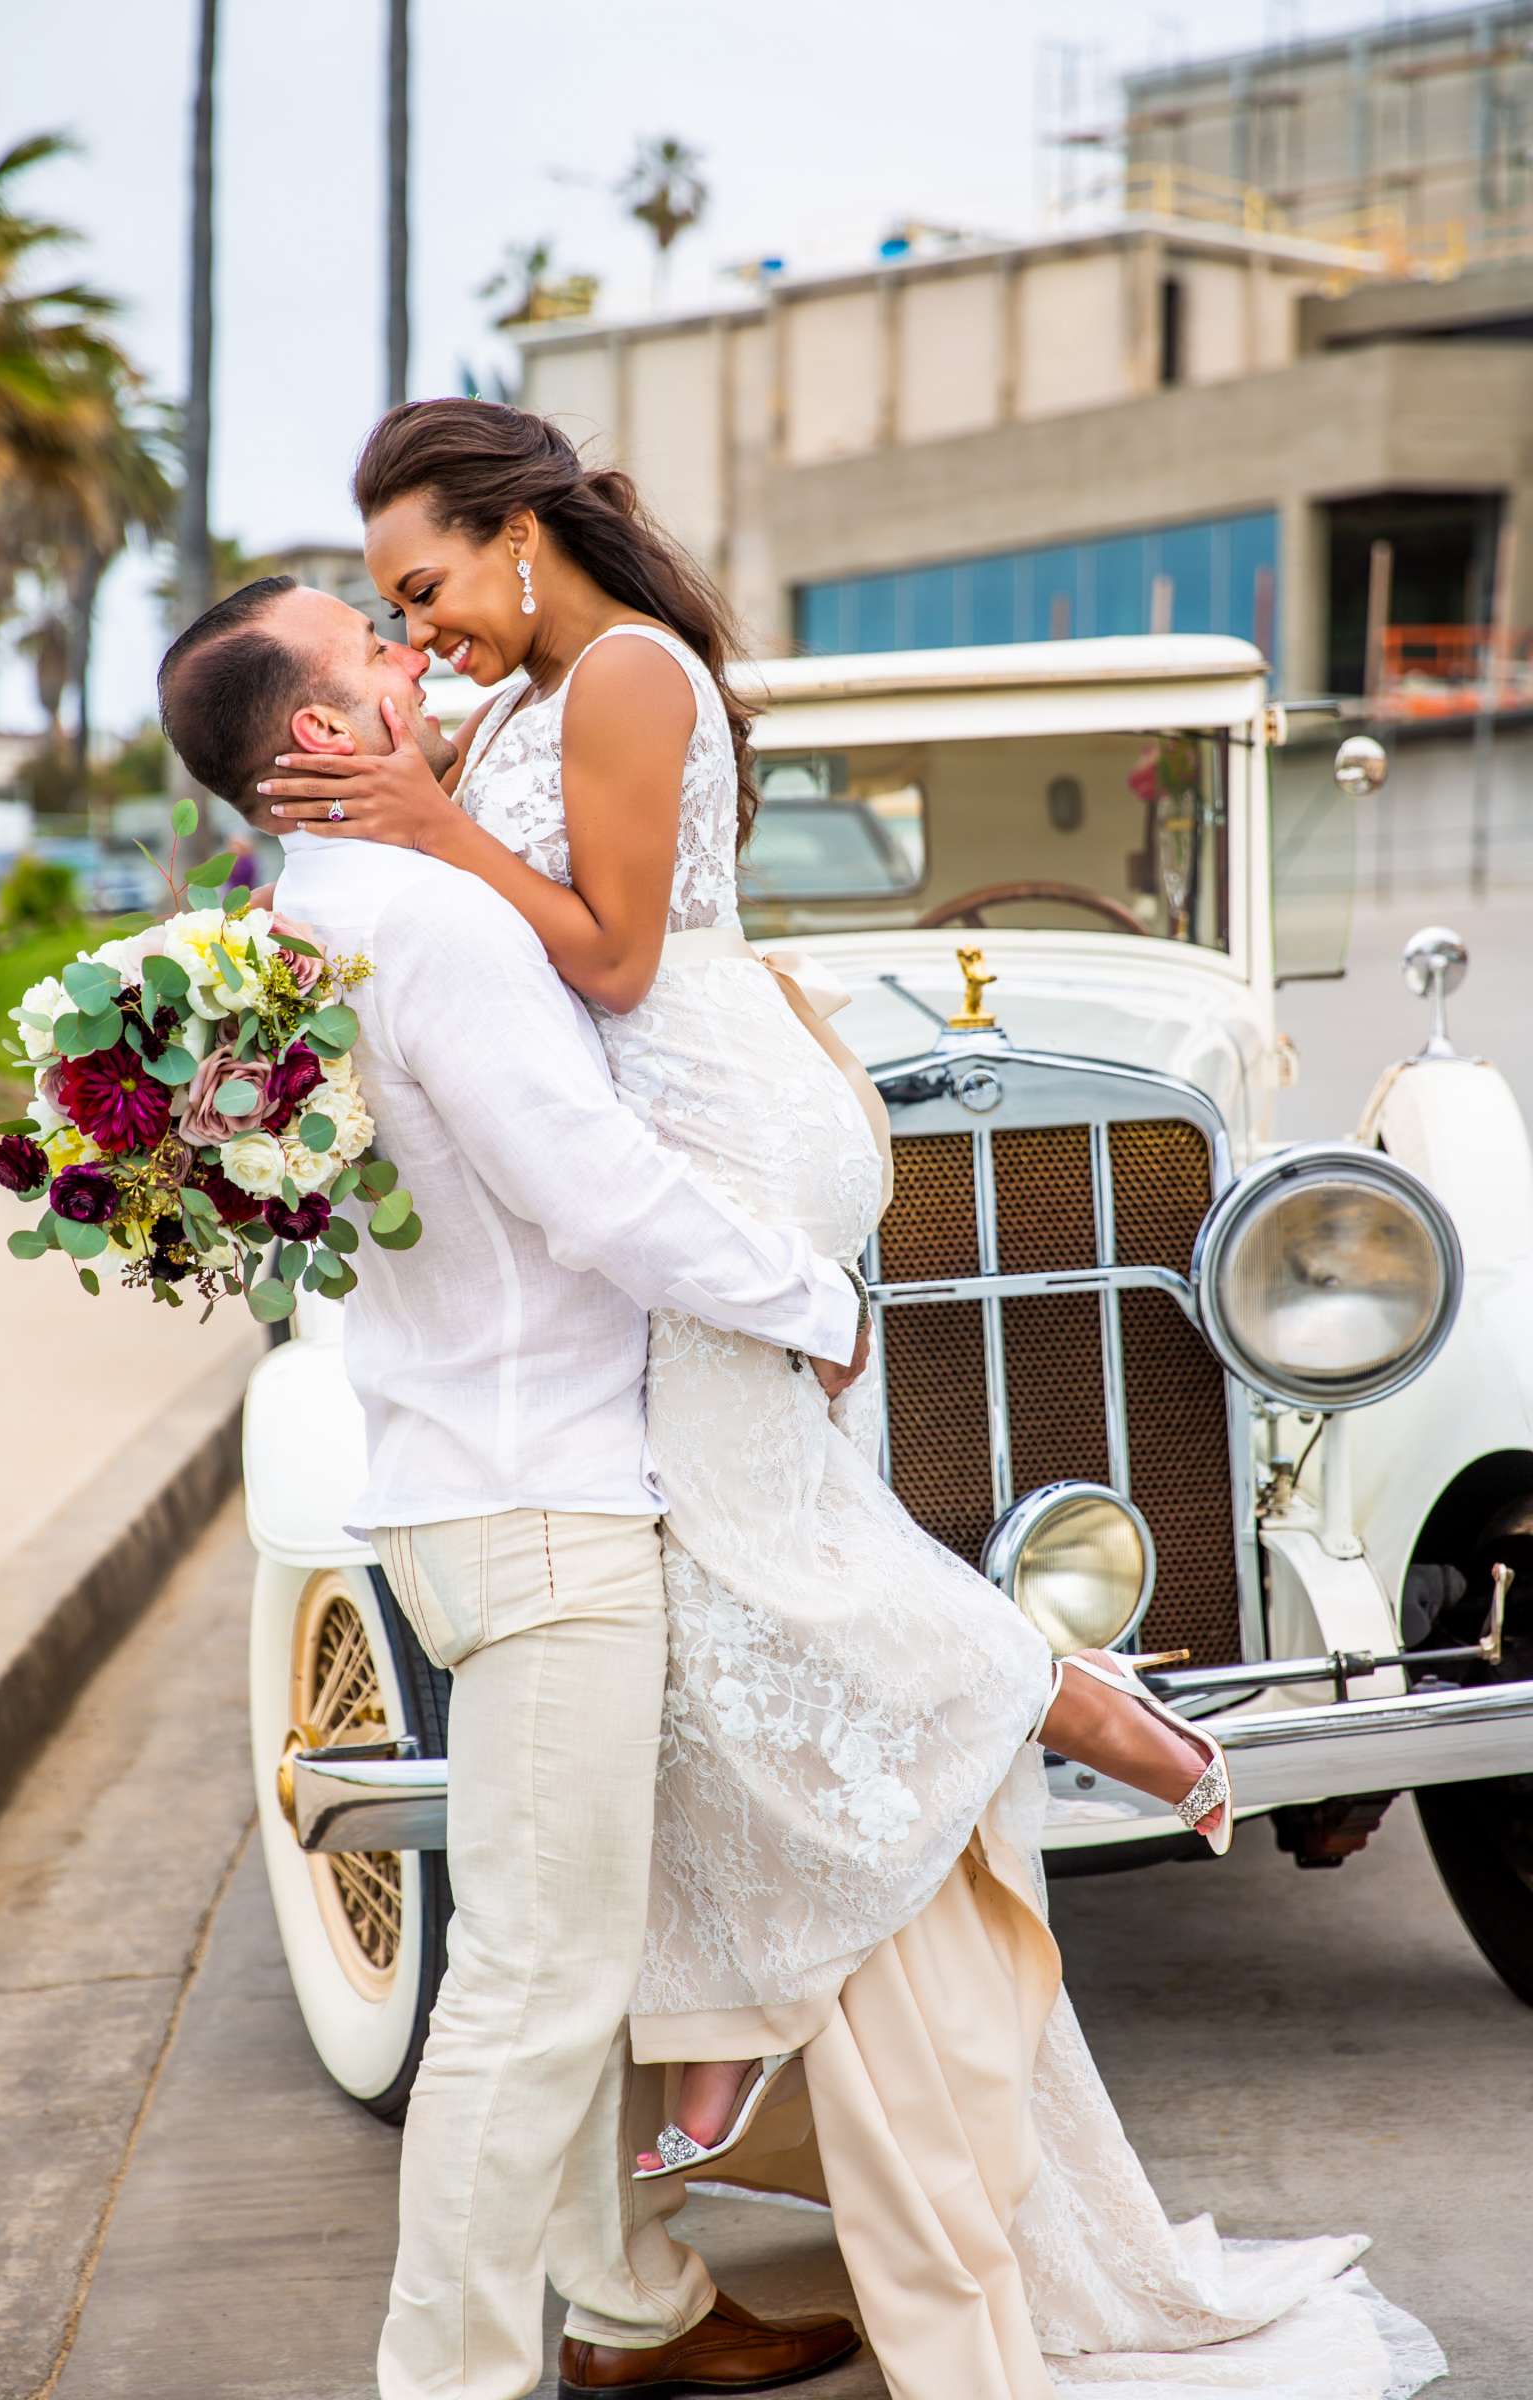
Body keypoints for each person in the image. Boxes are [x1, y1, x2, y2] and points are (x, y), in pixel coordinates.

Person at [250, 397, 1445, 2400]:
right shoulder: (524, 695)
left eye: (426, 583)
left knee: (746, 1537)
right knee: (716, 1568)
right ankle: (754, 1983)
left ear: (520, 531)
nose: (419, 626)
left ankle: (1040, 1698)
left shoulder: (620, 670)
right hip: (698, 1140)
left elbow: (620, 962)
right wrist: (414, 785)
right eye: (386, 606)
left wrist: (442, 823)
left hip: (705, 1133)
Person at [157, 577, 870, 2400]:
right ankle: (453, 2379)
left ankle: (628, 2307)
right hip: (547, 1504)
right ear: (326, 734)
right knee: (535, 1989)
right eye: (375, 647)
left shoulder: (290, 922)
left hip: (448, 1481)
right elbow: (595, 1186)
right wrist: (811, 1298)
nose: (417, 660)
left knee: (557, 1955)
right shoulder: (432, 920)